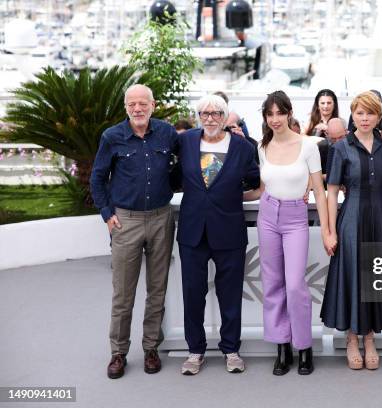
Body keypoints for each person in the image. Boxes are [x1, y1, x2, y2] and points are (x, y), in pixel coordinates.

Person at [90, 84, 178, 379]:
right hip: (125, 221)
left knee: (157, 290)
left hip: (161, 219)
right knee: (123, 294)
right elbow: (98, 178)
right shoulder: (112, 137)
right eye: (132, 104)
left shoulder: (167, 133)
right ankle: (118, 353)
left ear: (153, 105)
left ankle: (151, 348)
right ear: (125, 107)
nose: (138, 109)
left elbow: (189, 158)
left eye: (143, 103)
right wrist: (107, 214)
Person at [244, 91, 334, 376]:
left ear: (289, 113)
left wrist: (327, 231)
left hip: (296, 217)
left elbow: (319, 192)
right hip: (268, 215)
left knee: (295, 284)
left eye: (279, 113)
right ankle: (282, 346)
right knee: (272, 283)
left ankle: (304, 346)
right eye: (269, 114)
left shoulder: (308, 146)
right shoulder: (261, 146)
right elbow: (260, 189)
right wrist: (229, 198)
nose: (274, 119)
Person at [321, 91, 382, 370]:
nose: (364, 118)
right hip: (351, 218)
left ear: (378, 116)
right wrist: (330, 231)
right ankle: (352, 338)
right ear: (353, 114)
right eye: (359, 113)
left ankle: (370, 338)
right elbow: (333, 191)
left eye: (370, 113)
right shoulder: (341, 147)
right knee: (352, 275)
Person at [176, 94, 260, 376]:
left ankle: (231, 350)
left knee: (230, 293)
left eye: (216, 113)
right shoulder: (186, 141)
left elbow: (255, 179)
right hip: (192, 231)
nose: (209, 118)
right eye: (204, 113)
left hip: (229, 229)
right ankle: (195, 351)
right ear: (198, 116)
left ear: (225, 117)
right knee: (192, 294)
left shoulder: (242, 146)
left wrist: (233, 196)